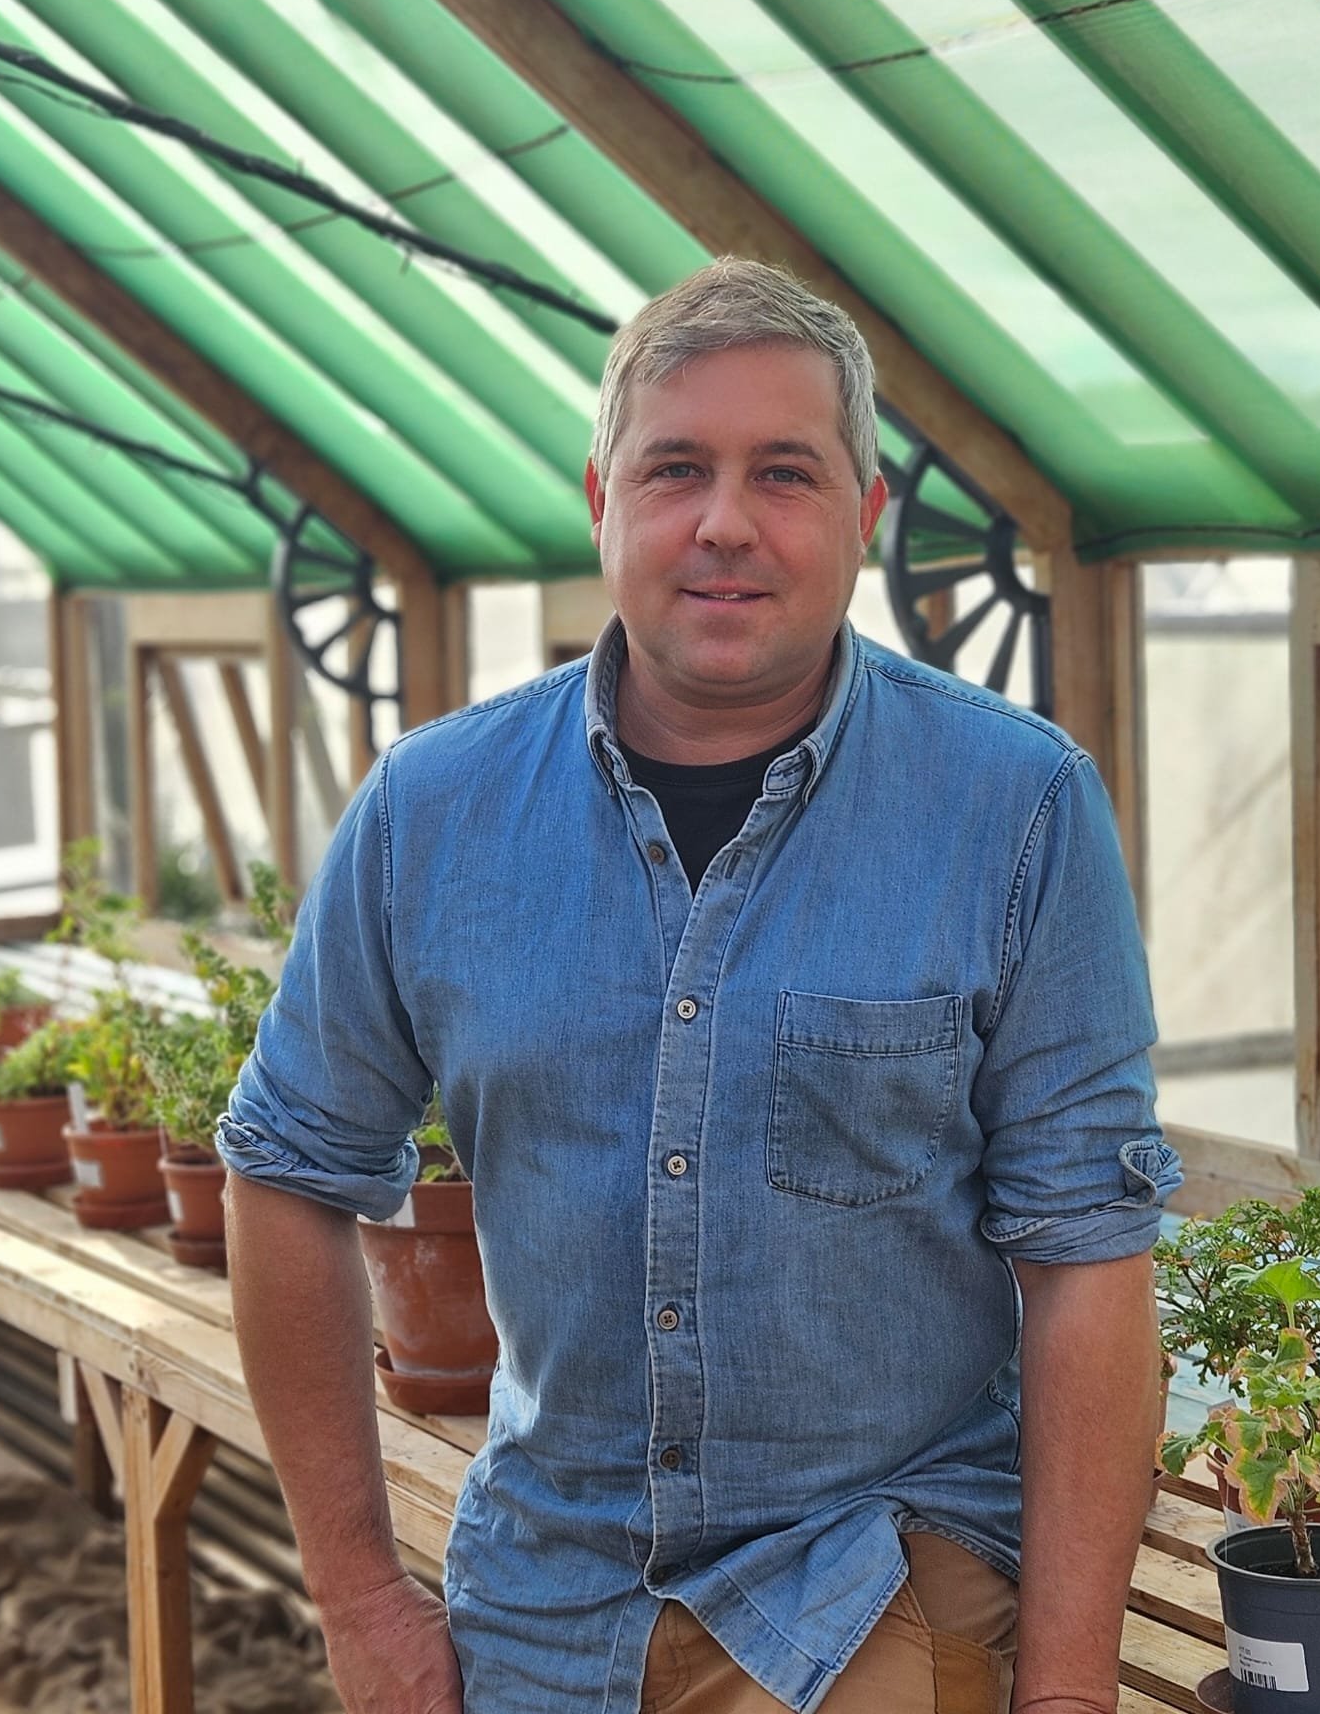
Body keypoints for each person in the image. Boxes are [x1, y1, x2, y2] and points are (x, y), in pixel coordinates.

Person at [219, 257, 1180, 1714]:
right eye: (676, 470)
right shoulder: (437, 809)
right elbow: (286, 1175)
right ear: (602, 500)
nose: (725, 522)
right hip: (546, 1600)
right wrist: (359, 1599)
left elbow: (1089, 1260)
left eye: (784, 473)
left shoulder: (1013, 809)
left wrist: (1062, 1694)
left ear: (864, 518)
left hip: (868, 1576)